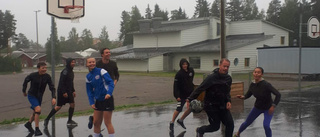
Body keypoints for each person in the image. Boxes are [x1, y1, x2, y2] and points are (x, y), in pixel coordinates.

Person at [186, 58, 234, 137]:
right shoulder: (211, 77)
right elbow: (200, 88)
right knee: (215, 127)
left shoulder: (228, 78)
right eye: (224, 66)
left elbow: (227, 91)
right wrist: (189, 99)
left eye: (227, 67)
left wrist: (229, 101)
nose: (226, 68)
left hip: (222, 105)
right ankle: (200, 130)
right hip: (211, 106)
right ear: (220, 65)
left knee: (230, 124)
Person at [233, 67, 281, 137]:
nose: (256, 74)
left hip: (268, 108)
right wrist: (243, 97)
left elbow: (278, 94)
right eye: (255, 72)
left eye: (258, 72)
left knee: (266, 126)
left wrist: (273, 106)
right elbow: (248, 94)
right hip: (257, 107)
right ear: (253, 73)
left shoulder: (266, 85)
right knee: (247, 122)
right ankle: (237, 134)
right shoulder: (252, 84)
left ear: (261, 74)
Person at [88, 48, 120, 129]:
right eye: (106, 52)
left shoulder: (113, 64)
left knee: (106, 119)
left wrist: (114, 83)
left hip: (108, 89)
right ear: (102, 54)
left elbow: (117, 75)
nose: (108, 54)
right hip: (99, 89)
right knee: (97, 119)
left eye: (109, 52)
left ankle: (95, 121)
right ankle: (93, 119)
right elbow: (92, 75)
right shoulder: (98, 64)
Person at [22, 62, 56, 136]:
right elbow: (25, 81)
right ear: (38, 68)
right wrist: (24, 91)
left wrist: (53, 97)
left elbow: (52, 87)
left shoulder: (47, 77)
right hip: (32, 95)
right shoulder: (33, 75)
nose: (45, 69)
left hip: (39, 96)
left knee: (36, 111)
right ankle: (37, 129)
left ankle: (28, 123)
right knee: (38, 110)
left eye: (46, 68)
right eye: (43, 68)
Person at [44, 58, 77, 128]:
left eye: (74, 62)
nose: (73, 63)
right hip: (62, 91)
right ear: (68, 63)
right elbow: (61, 82)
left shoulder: (71, 71)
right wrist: (64, 92)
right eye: (72, 62)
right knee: (58, 107)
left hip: (69, 91)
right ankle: (47, 119)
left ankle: (69, 120)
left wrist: (73, 90)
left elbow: (71, 82)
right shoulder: (65, 71)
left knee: (72, 104)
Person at [86, 57, 115, 137]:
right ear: (86, 64)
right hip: (98, 101)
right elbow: (89, 91)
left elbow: (111, 83)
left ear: (95, 63)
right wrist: (91, 102)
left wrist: (109, 93)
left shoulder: (101, 71)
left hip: (107, 99)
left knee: (107, 122)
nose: (92, 63)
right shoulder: (88, 76)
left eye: (93, 62)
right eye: (89, 62)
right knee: (96, 122)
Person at [169, 58, 194, 131]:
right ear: (181, 65)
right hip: (181, 95)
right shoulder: (179, 74)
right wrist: (177, 96)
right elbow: (175, 86)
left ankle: (181, 120)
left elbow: (191, 80)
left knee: (191, 108)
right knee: (179, 109)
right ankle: (172, 122)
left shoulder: (191, 71)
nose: (185, 66)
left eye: (186, 64)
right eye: (183, 64)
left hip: (190, 94)